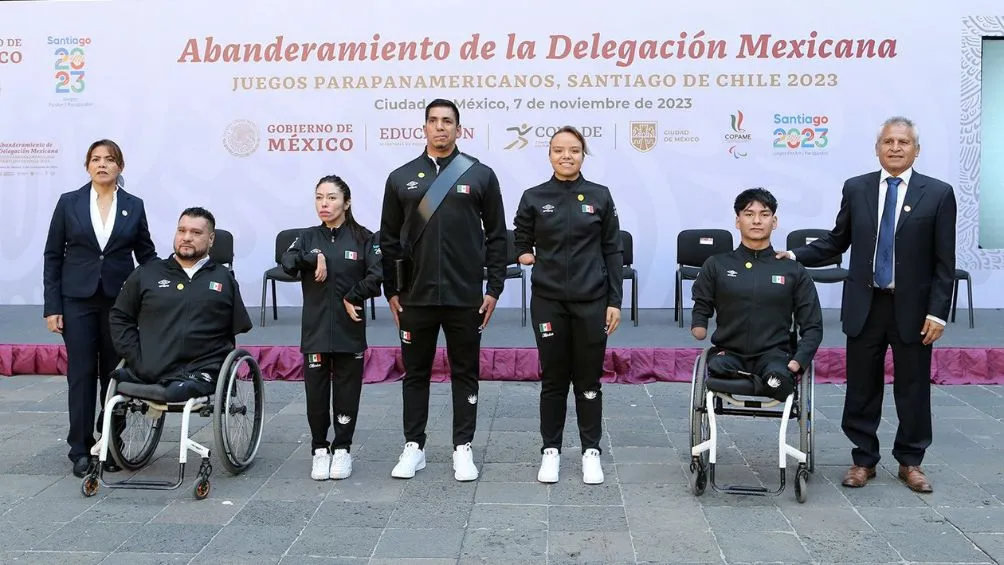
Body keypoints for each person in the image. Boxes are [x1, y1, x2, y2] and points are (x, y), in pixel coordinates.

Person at [778, 117, 956, 493]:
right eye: (888, 141)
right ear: (877, 148)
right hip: (865, 305)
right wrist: (794, 254)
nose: (895, 147)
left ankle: (911, 462)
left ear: (916, 150)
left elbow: (944, 263)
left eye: (903, 142)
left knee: (913, 388)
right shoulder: (857, 188)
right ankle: (863, 459)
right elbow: (835, 241)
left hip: (914, 310)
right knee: (861, 386)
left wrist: (938, 312)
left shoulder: (939, 193)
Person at [379, 98, 508, 481]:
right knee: (415, 373)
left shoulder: (480, 175)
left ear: (458, 128)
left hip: (464, 296)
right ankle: (413, 447)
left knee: (465, 373)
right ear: (424, 127)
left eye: (447, 121)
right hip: (414, 297)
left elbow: (498, 237)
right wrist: (392, 291)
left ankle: (462, 447)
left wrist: (494, 288)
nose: (440, 127)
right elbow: (387, 241)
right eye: (433, 121)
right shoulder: (400, 177)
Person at [512, 126, 623, 485]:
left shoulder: (600, 196)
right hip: (548, 302)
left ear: (583, 154)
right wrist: (524, 252)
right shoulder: (533, 196)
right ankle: (551, 451)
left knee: (589, 379)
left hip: (592, 302)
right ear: (549, 155)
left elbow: (612, 250)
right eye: (559, 150)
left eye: (574, 150)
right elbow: (519, 233)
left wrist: (614, 302)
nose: (566, 156)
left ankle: (591, 451)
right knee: (554, 379)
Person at [42, 139, 158, 478]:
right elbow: (52, 256)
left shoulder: (134, 206)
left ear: (120, 166)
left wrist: (162, 287)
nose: (102, 164)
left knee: (115, 375)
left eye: (109, 159)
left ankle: (110, 441)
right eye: (95, 159)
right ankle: (79, 448)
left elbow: (145, 254)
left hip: (118, 303)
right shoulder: (69, 203)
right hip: (76, 301)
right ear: (87, 166)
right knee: (80, 375)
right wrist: (53, 307)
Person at [280, 175, 382, 481]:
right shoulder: (308, 237)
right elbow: (287, 260)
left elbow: (378, 276)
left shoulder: (365, 238)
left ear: (347, 203)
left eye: (332, 198)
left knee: (347, 391)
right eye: (319, 197)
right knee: (316, 393)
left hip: (349, 329)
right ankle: (319, 449)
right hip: (315, 331)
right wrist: (315, 257)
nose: (324, 204)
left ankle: (342, 449)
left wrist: (353, 295)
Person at [692, 188, 823, 403]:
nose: (756, 221)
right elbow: (702, 301)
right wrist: (699, 322)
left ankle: (767, 378)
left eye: (764, 214)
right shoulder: (717, 264)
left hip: (774, 356)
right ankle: (761, 379)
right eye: (748, 214)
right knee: (716, 367)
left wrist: (799, 360)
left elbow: (812, 324)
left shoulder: (793, 270)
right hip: (728, 356)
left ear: (774, 221)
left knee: (779, 383)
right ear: (737, 221)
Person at [108, 207, 252, 402]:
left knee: (175, 391)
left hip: (202, 372)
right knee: (122, 384)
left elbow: (235, 329)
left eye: (196, 232)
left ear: (211, 239)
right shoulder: (147, 273)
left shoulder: (224, 279)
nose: (186, 237)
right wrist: (136, 357)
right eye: (181, 230)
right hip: (151, 367)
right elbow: (120, 317)